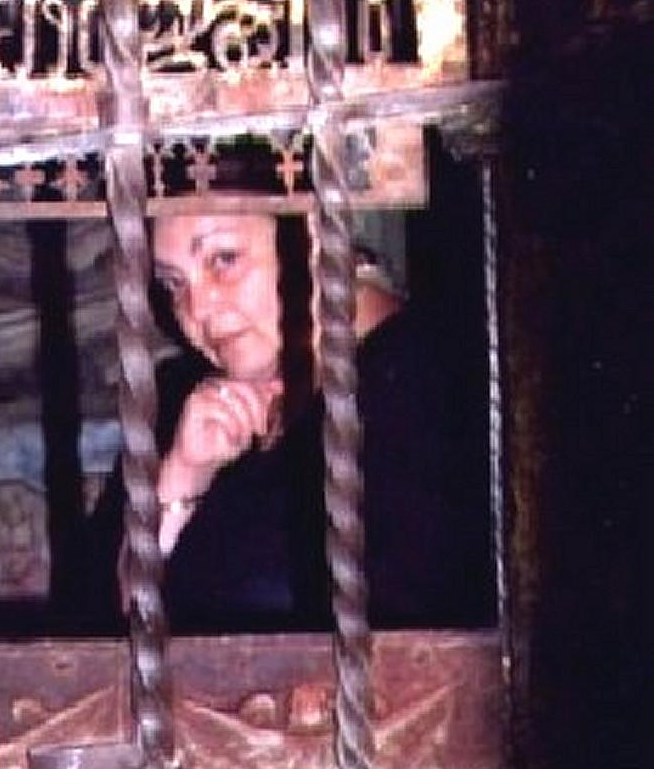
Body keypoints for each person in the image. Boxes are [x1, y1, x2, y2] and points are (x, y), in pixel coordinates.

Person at [134, 211, 495, 633]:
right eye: (174, 283)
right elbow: (109, 631)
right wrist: (182, 478)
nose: (197, 309)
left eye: (224, 259)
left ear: (315, 236)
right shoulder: (187, 401)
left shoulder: (427, 390)